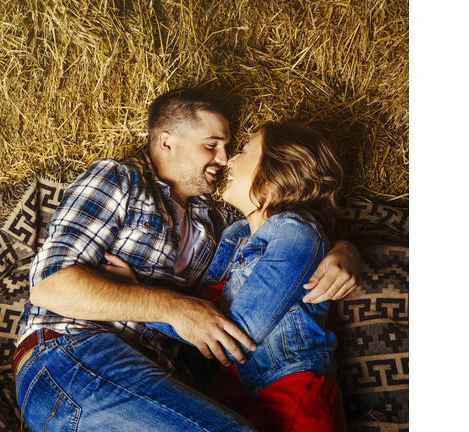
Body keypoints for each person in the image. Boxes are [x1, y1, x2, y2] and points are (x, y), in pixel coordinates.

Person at [12, 89, 359, 431]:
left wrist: (345, 249)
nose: (224, 159)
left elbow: (287, 236)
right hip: (72, 356)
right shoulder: (121, 179)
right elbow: (48, 286)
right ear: (167, 142)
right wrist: (174, 309)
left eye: (231, 148)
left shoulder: (215, 227)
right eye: (212, 145)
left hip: (160, 386)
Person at [106, 122, 349, 431]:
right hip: (232, 403)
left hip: (290, 398)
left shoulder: (297, 232)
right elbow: (198, 316)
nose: (229, 161)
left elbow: (231, 333)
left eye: (244, 151)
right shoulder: (234, 236)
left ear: (278, 171)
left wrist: (132, 293)